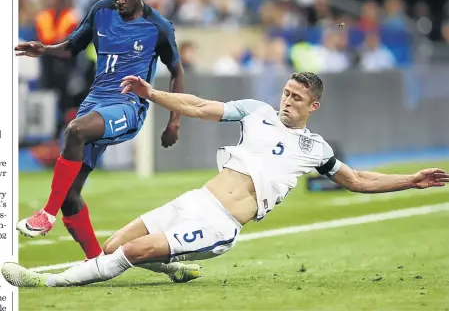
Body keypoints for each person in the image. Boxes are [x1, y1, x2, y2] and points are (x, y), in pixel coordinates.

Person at [3, 72, 447, 288]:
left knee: (134, 252)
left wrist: (412, 180)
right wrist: (151, 94)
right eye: (287, 93)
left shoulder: (316, 149)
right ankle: (174, 266)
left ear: (314, 106)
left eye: (297, 98)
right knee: (115, 245)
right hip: (194, 199)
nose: (287, 101)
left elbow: (357, 180)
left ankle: (46, 282)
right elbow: (197, 105)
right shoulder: (257, 111)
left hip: (220, 225)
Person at [14, 0, 185, 261]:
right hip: (95, 101)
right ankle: (96, 261)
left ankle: (45, 214)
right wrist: (46, 49)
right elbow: (72, 46)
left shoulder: (158, 26)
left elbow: (176, 71)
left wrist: (174, 121)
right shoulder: (100, 11)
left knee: (75, 130)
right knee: (70, 194)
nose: (120, 0)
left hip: (127, 106)